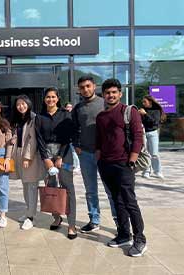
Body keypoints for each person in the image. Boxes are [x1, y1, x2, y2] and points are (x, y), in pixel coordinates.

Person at [96, 78, 147, 257]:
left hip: (124, 163)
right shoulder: (101, 116)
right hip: (106, 164)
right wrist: (99, 159)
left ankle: (140, 239)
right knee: (117, 201)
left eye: (114, 92)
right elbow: (99, 140)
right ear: (103, 95)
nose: (110, 95)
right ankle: (124, 234)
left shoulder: (129, 111)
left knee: (129, 201)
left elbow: (138, 137)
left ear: (120, 93)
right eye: (107, 93)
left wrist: (132, 160)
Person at [72, 76, 117, 233]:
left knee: (110, 189)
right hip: (85, 154)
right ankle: (94, 219)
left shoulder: (105, 103)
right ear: (79, 89)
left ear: (94, 86)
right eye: (82, 87)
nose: (85, 89)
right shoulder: (78, 108)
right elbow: (75, 128)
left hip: (104, 155)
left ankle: (119, 222)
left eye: (88, 86)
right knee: (90, 190)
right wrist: (76, 146)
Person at [35, 87, 77, 239]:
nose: (50, 99)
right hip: (46, 155)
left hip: (64, 154)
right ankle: (57, 217)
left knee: (68, 188)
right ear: (44, 99)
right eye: (48, 97)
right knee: (51, 187)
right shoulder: (39, 117)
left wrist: (60, 156)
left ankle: (71, 225)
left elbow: (68, 137)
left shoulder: (66, 115)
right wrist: (46, 159)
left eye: (53, 97)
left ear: (58, 98)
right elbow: (39, 139)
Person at [9, 95, 44, 230]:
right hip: (18, 154)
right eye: (18, 104)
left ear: (28, 104)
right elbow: (17, 136)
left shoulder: (34, 118)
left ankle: (31, 217)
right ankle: (28, 211)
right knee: (25, 185)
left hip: (30, 157)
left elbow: (32, 139)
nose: (21, 106)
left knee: (32, 186)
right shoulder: (19, 119)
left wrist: (28, 157)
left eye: (23, 104)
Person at [139, 95, 166, 179]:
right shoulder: (142, 110)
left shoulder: (156, 110)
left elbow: (154, 122)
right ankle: (146, 171)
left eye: (145, 102)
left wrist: (145, 114)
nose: (143, 103)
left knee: (154, 153)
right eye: (142, 102)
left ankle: (158, 171)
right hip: (143, 133)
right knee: (146, 153)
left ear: (150, 102)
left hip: (153, 133)